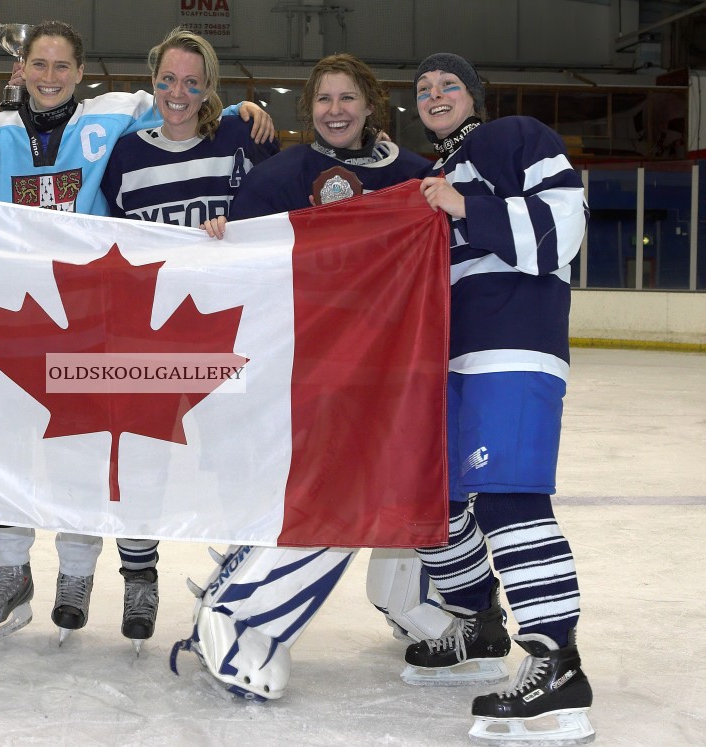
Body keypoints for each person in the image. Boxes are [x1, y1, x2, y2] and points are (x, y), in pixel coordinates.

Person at [0, 19, 275, 645]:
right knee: (22, 443)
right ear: (21, 70)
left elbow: (193, 119)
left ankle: (143, 576)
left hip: (124, 324)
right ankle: (15, 571)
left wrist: (246, 109)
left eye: (63, 66)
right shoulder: (8, 133)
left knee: (141, 449)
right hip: (31, 313)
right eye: (40, 64)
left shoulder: (120, 120)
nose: (51, 76)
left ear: (82, 73)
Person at [169, 54, 452, 701]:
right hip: (308, 372)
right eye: (323, 99)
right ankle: (239, 613)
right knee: (329, 491)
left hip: (390, 372)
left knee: (396, 487)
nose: (335, 110)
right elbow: (242, 261)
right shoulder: (283, 175)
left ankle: (418, 603)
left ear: (370, 103)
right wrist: (221, 236)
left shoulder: (415, 178)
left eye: (347, 97)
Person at [401, 53, 593, 744]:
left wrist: (464, 206)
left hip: (513, 345)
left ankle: (557, 660)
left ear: (475, 96)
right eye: (422, 90)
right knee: (431, 501)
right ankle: (478, 619)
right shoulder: (428, 177)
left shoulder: (516, 136)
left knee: (511, 498)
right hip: (448, 365)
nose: (434, 94)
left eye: (448, 84)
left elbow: (563, 225)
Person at [96, 28, 278, 652]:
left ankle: (238, 580)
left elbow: (280, 212)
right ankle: (139, 577)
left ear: (210, 88)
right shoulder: (125, 155)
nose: (179, 92)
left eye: (192, 82)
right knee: (141, 460)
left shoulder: (242, 137)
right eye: (168, 80)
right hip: (151, 340)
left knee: (234, 460)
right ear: (154, 82)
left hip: (229, 333)